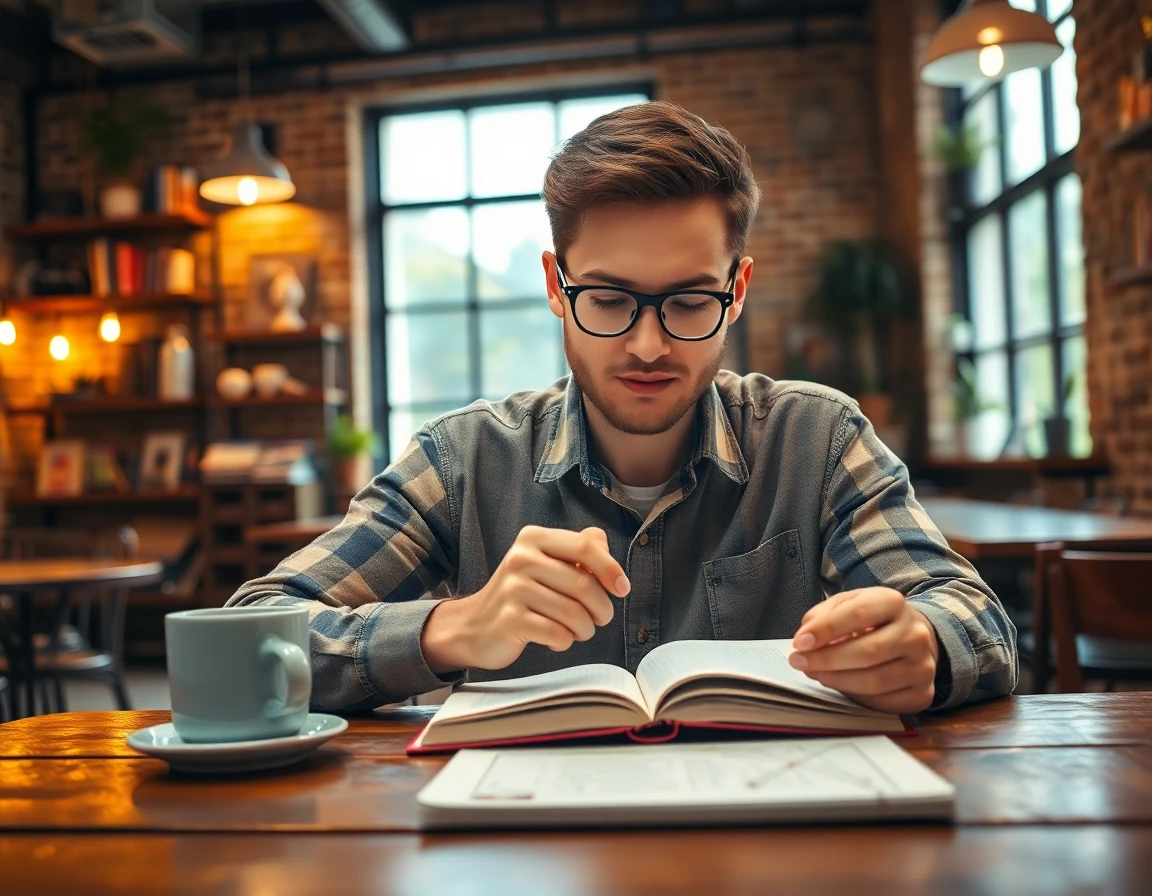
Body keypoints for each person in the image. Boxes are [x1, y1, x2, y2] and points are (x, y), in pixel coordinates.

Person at [228, 101, 1017, 714]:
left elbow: (975, 617)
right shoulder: (464, 460)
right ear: (554, 286)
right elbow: (249, 636)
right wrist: (451, 628)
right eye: (607, 298)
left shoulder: (819, 439)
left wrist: (925, 644)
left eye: (687, 300)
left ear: (736, 290)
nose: (645, 346)